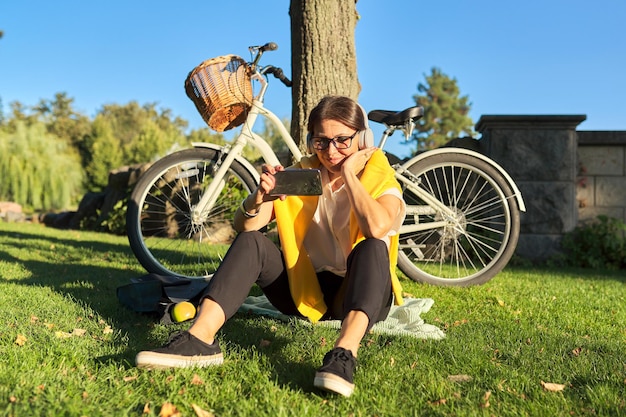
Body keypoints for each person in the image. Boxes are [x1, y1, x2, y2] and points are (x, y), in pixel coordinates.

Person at [135, 95, 406, 398]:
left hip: (362, 291)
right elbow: (246, 226)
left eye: (342, 140)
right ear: (310, 141)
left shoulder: (379, 172)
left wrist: (349, 175)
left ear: (363, 138)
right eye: (321, 141)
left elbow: (377, 227)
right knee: (252, 242)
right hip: (307, 291)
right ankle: (200, 339)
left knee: (372, 246)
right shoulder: (304, 173)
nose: (331, 151)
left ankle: (343, 355)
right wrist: (260, 197)